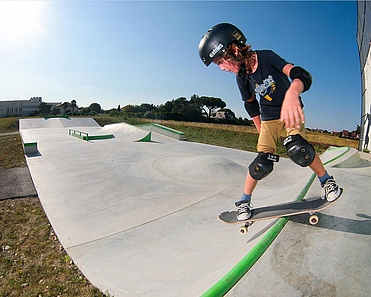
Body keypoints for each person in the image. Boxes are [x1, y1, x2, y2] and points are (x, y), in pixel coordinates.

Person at [198, 23, 342, 220]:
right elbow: (251, 105)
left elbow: (300, 74)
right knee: (262, 162)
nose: (222, 68)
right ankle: (244, 201)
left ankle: (326, 181)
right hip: (268, 118)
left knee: (299, 148)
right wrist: (260, 129)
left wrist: (293, 92)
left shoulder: (266, 57)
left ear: (233, 50)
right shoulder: (241, 77)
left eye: (220, 62)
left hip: (290, 111)